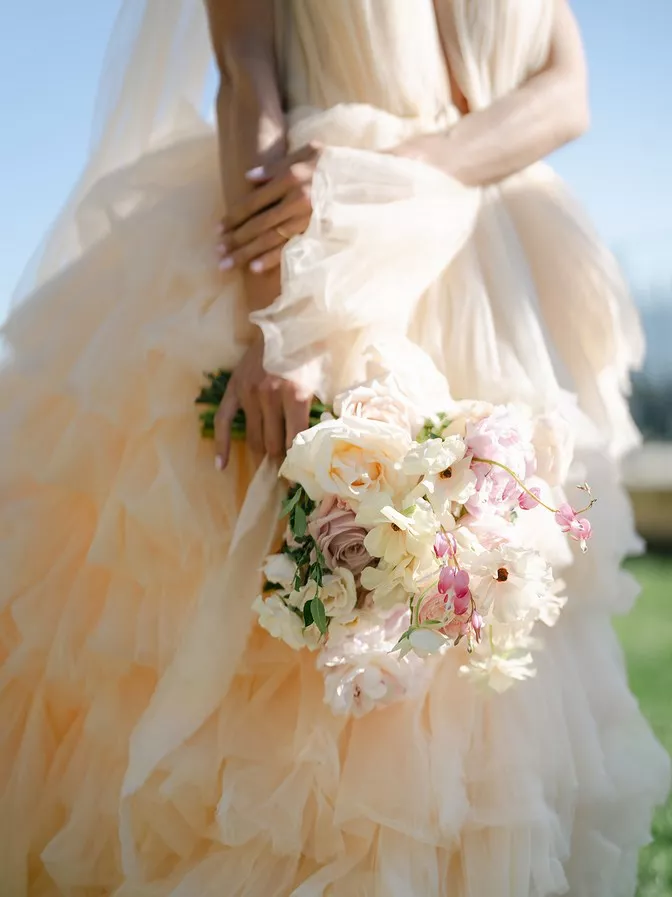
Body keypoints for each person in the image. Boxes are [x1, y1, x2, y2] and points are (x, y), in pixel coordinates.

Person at [0, 0, 669, 894]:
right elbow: (246, 72)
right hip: (306, 236)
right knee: (301, 624)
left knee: (488, 630)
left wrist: (389, 177)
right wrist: (283, 320)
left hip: (477, 260)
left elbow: (567, 92)